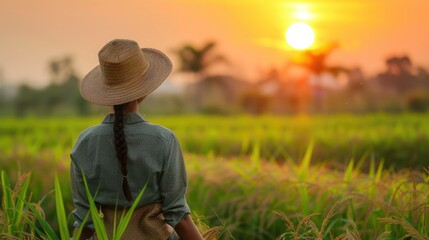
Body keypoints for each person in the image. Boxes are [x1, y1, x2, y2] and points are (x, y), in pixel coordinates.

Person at [70, 39, 203, 240]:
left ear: (106, 93)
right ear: (143, 92)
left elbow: (84, 221)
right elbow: (179, 216)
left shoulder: (85, 143)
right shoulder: (164, 140)